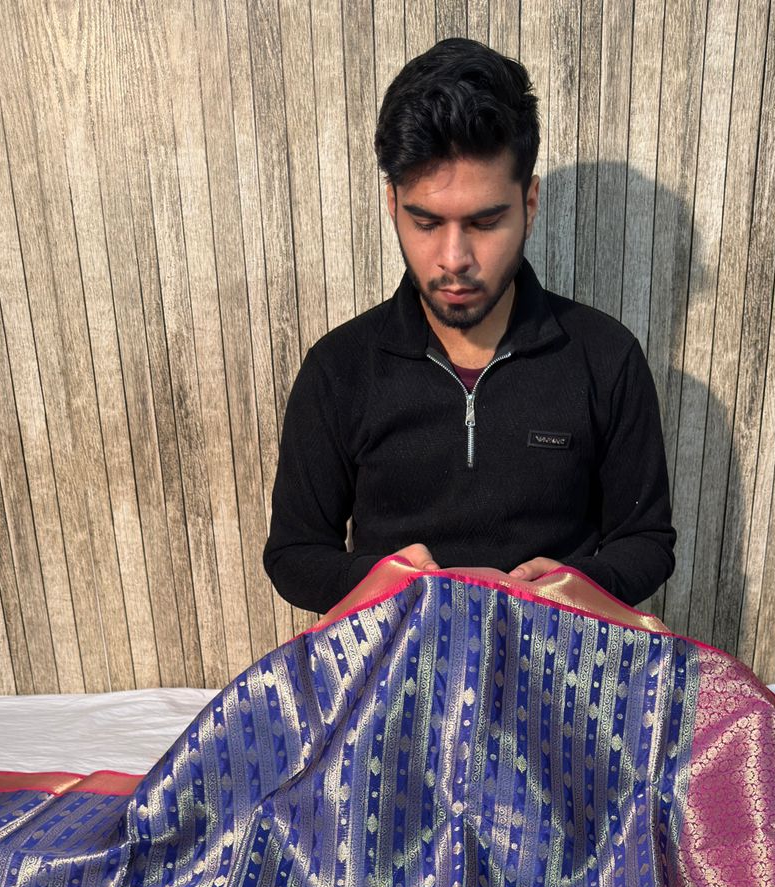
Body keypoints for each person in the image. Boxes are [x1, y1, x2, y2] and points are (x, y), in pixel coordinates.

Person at [263, 37, 675, 616]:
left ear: (529, 203)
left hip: (558, 663)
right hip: (396, 666)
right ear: (392, 204)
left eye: (485, 221)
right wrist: (395, 584)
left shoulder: (605, 358)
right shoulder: (340, 369)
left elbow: (647, 541)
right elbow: (295, 552)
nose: (454, 258)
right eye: (426, 222)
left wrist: (571, 585)